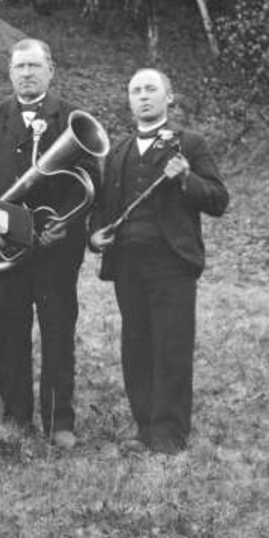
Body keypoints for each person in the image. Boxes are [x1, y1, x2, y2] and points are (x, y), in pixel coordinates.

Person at [0, 38, 95, 448]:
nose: (27, 74)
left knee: (57, 333)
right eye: (20, 67)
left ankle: (59, 421)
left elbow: (91, 180)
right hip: (6, 245)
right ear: (10, 72)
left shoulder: (71, 116)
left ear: (51, 70)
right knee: (9, 333)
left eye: (35, 66)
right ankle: (15, 415)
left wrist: (67, 225)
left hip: (56, 250)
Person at [89, 69, 229, 454]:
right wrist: (94, 234)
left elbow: (219, 199)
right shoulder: (117, 150)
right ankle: (144, 428)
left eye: (151, 89)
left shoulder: (191, 144)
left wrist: (186, 178)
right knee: (137, 344)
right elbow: (102, 207)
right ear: (129, 100)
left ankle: (169, 435)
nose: (143, 96)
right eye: (136, 91)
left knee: (171, 346)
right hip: (128, 265)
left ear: (169, 98)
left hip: (172, 264)